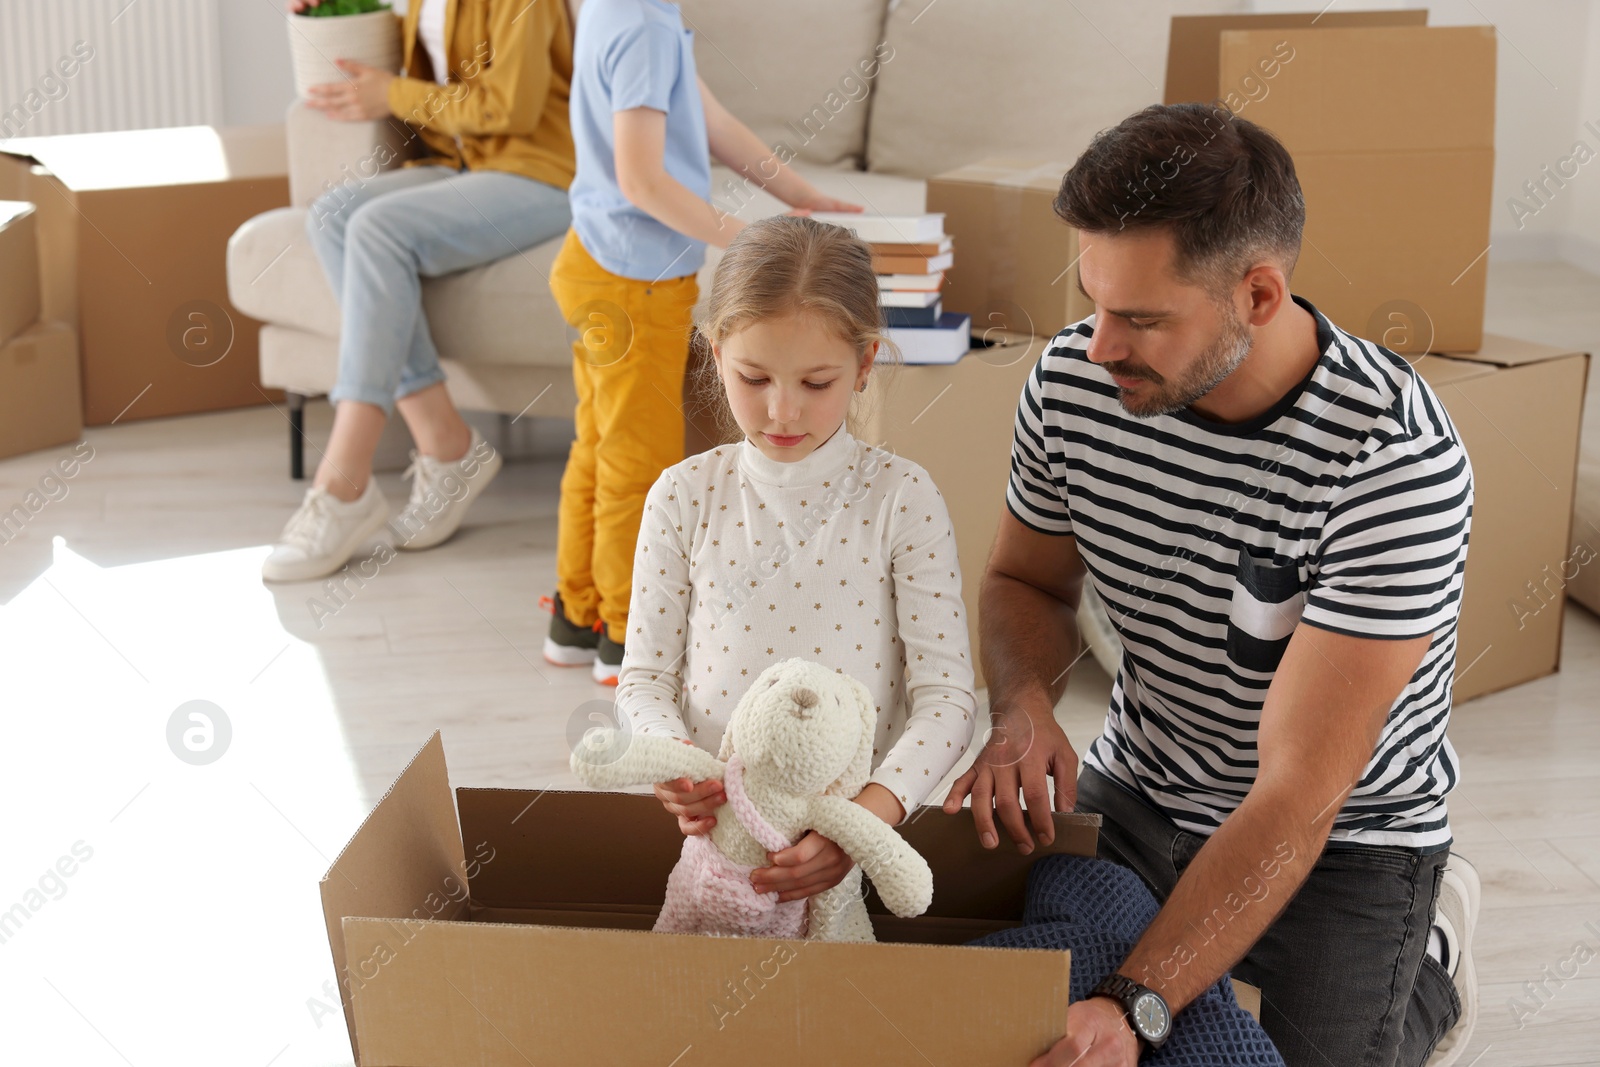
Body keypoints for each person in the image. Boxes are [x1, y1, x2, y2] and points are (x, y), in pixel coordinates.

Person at [944, 103, 1480, 1067]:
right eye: (1093, 300)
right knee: (1001, 1023)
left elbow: (1298, 790)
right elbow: (1024, 577)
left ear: (1260, 296)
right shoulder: (1074, 384)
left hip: (1341, 831)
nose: (1100, 344)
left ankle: (1428, 955)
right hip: (1145, 784)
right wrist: (1023, 705)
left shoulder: (1393, 463)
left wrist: (1135, 1003)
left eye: (1142, 318)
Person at [622, 215, 978, 914]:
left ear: (866, 363)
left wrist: (865, 823)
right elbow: (643, 680)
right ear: (716, 348)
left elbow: (948, 699)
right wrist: (670, 762)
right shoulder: (683, 495)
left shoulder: (902, 498)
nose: (782, 410)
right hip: (716, 848)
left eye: (817, 382)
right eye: (753, 377)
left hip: (847, 857)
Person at [540, 0, 862, 683]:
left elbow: (712, 123)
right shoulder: (645, 26)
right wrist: (749, 239)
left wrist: (804, 199)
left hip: (597, 260)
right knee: (641, 462)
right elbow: (642, 180)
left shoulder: (624, 9)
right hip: (635, 280)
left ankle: (577, 614)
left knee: (599, 444)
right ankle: (627, 636)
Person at [263, 0, 577, 582]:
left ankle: (344, 477)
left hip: (541, 172)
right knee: (333, 216)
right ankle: (446, 442)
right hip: (464, 165)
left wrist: (396, 95)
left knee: (380, 230)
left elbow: (512, 105)